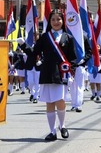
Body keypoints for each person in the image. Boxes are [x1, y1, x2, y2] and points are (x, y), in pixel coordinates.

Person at [18, 9, 77, 141]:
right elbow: (34, 52)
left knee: (60, 101)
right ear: (49, 22)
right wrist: (23, 45)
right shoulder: (45, 37)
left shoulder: (69, 38)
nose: (56, 22)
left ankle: (63, 126)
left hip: (61, 74)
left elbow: (73, 58)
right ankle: (52, 131)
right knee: (49, 103)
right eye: (53, 19)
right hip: (46, 73)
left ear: (63, 21)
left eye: (58, 19)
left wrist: (71, 72)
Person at [69, 34, 92, 112]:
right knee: (72, 86)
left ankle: (78, 105)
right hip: (70, 65)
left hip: (80, 65)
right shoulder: (68, 36)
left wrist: (84, 60)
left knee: (79, 85)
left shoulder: (83, 37)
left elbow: (89, 52)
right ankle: (73, 104)